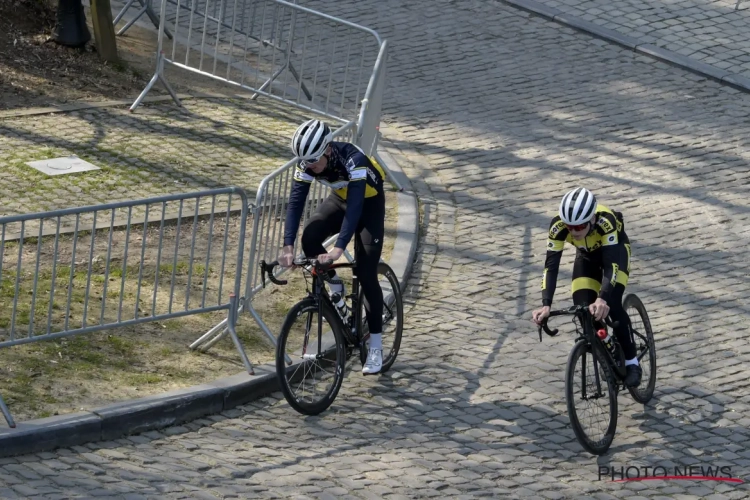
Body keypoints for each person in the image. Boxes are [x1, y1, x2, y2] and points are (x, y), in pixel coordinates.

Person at [278, 118, 387, 375]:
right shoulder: (308, 162)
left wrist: (338, 248)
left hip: (367, 204)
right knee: (309, 239)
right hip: (340, 200)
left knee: (367, 272)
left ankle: (376, 346)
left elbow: (357, 207)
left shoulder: (353, 159)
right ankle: (335, 284)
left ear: (327, 149)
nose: (311, 168)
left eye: (314, 162)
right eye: (306, 163)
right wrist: (287, 246)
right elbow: (295, 204)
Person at [531, 187, 641, 387]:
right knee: (583, 307)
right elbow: (551, 267)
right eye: (569, 227)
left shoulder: (605, 221)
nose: (574, 231)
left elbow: (611, 266)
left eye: (580, 226)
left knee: (613, 303)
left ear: (591, 219)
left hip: (615, 254)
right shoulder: (557, 226)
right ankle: (606, 346)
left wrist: (602, 298)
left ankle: (632, 362)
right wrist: (546, 304)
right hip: (587, 258)